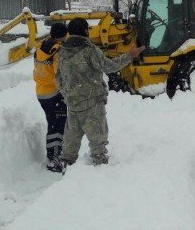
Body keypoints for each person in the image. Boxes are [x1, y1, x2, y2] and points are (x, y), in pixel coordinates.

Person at [55, 18, 145, 168]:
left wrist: (67, 93)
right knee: (98, 143)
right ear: (85, 31)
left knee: (70, 143)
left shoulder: (63, 51)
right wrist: (129, 56)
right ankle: (100, 174)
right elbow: (108, 66)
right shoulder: (89, 50)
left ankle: (66, 170)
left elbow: (58, 77)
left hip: (72, 103)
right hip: (92, 103)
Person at [33, 22, 68, 172]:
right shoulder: (57, 51)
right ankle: (55, 159)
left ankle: (52, 155)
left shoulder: (41, 47)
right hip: (54, 93)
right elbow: (59, 75)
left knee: (53, 123)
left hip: (42, 92)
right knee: (58, 125)